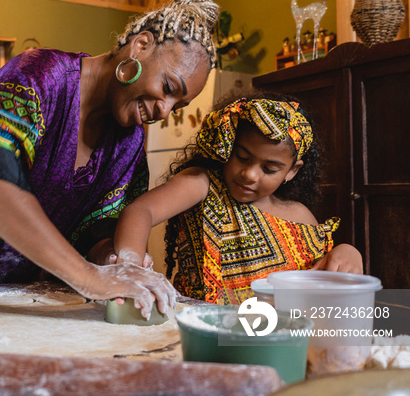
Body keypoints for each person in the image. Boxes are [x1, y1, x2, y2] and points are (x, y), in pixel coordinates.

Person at [0, 0, 220, 318]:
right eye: (168, 88)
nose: (165, 110)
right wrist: (89, 277)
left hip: (6, 305)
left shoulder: (128, 141)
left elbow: (94, 230)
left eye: (178, 105)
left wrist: (113, 260)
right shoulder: (40, 76)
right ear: (140, 46)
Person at [111, 90, 363, 305]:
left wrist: (348, 250)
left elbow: (320, 279)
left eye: (269, 169)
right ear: (227, 146)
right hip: (205, 333)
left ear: (292, 171)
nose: (250, 174)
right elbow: (139, 211)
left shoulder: (300, 216)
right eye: (242, 157)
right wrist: (130, 270)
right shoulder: (204, 184)